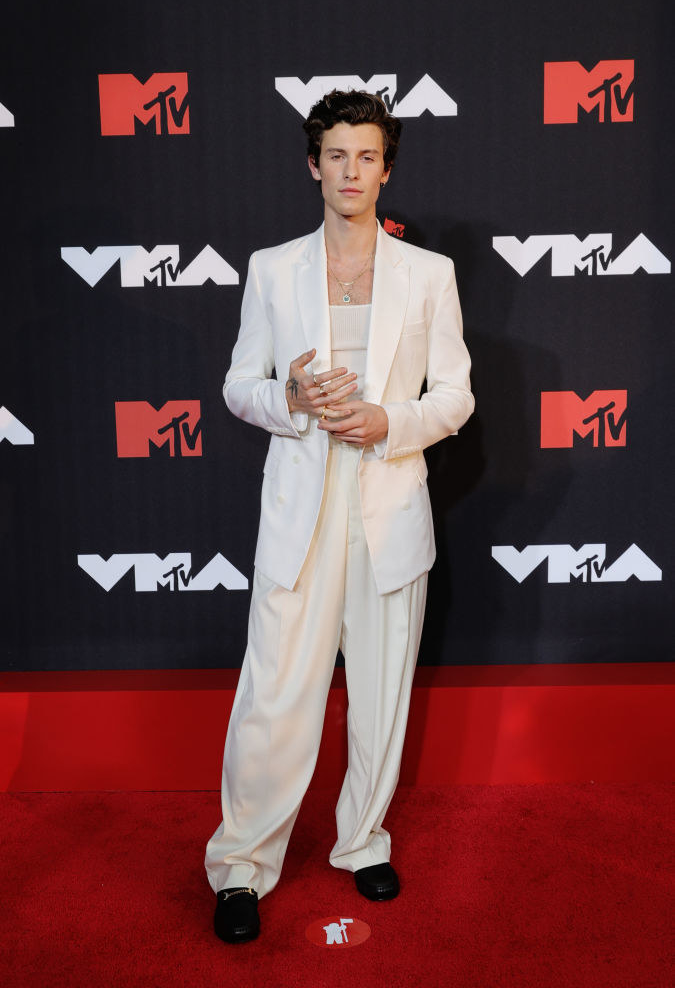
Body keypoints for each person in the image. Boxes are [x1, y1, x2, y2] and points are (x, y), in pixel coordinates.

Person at [205, 89, 474, 943]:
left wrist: (391, 421)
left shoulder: (429, 276)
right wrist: (288, 397)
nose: (350, 171)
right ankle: (240, 867)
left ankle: (362, 843)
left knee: (380, 695)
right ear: (311, 164)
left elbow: (457, 397)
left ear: (385, 169)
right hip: (302, 512)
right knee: (274, 696)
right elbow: (237, 386)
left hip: (389, 504)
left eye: (366, 156)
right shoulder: (271, 267)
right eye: (336, 155)